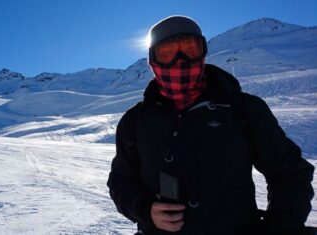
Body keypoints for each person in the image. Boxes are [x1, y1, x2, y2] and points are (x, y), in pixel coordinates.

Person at [107, 16, 314, 235]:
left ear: (203, 52)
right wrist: (145, 210)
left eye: (189, 49)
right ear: (152, 63)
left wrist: (278, 228)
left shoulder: (242, 110)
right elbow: (121, 181)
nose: (180, 60)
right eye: (167, 53)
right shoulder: (135, 121)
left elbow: (290, 172)